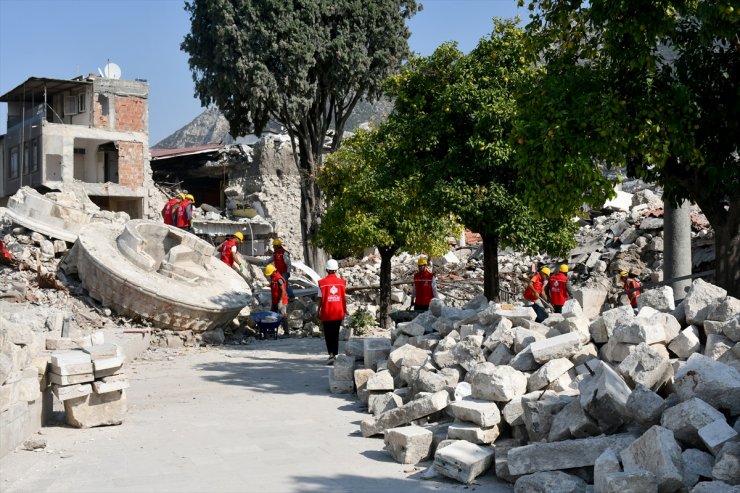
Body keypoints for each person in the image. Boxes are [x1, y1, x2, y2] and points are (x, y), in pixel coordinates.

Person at [317, 259, 347, 365]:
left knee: (328, 334)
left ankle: (331, 354)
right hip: (338, 312)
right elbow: (343, 298)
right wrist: (345, 310)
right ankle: (335, 354)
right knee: (335, 333)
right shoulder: (342, 283)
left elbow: (320, 298)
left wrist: (318, 310)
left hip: (326, 312)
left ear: (326, 269)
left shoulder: (322, 283)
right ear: (336, 270)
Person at [265, 263, 290, 337]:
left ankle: (286, 333)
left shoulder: (279, 279)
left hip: (281, 301)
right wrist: (267, 285)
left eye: (270, 273)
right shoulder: (273, 277)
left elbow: (283, 291)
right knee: (272, 316)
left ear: (274, 271)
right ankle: (271, 332)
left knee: (283, 316)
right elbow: (273, 285)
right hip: (275, 301)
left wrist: (280, 302)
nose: (269, 275)